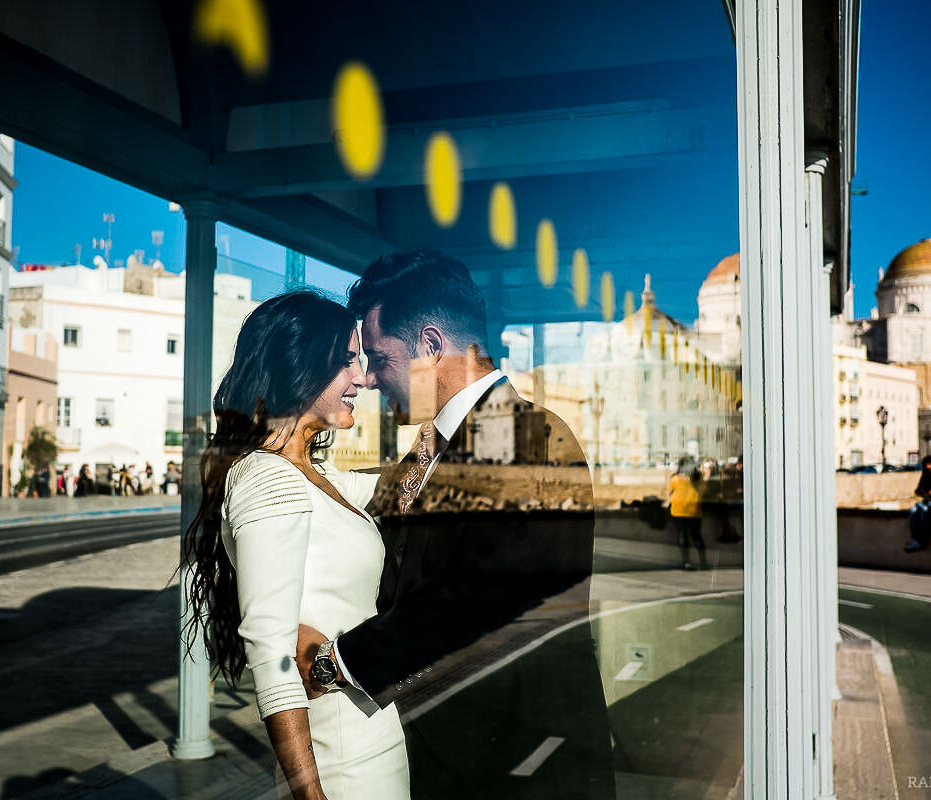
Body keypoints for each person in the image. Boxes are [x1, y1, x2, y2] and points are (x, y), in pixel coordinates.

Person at [294, 251, 614, 799]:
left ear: (432, 346)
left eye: (378, 358)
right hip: (460, 753)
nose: (368, 379)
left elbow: (474, 605)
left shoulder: (522, 436)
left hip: (517, 765)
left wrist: (330, 663)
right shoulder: (436, 448)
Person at [184, 291, 408, 800]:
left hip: (371, 743)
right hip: (343, 766)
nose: (361, 378)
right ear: (302, 367)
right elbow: (274, 656)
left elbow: (408, 485)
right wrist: (309, 794)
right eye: (348, 361)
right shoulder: (269, 479)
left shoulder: (313, 475)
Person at [668, 458, 709, 570]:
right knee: (697, 536)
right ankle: (703, 562)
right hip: (694, 510)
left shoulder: (675, 478)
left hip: (678, 510)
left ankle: (686, 562)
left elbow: (670, 493)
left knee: (683, 535)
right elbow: (704, 491)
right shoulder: (697, 478)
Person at [905, 455, 931, 552]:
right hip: (928, 501)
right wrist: (929, 493)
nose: (928, 471)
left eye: (929, 468)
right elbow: (919, 490)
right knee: (914, 510)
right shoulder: (926, 475)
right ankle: (915, 539)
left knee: (925, 510)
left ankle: (923, 540)